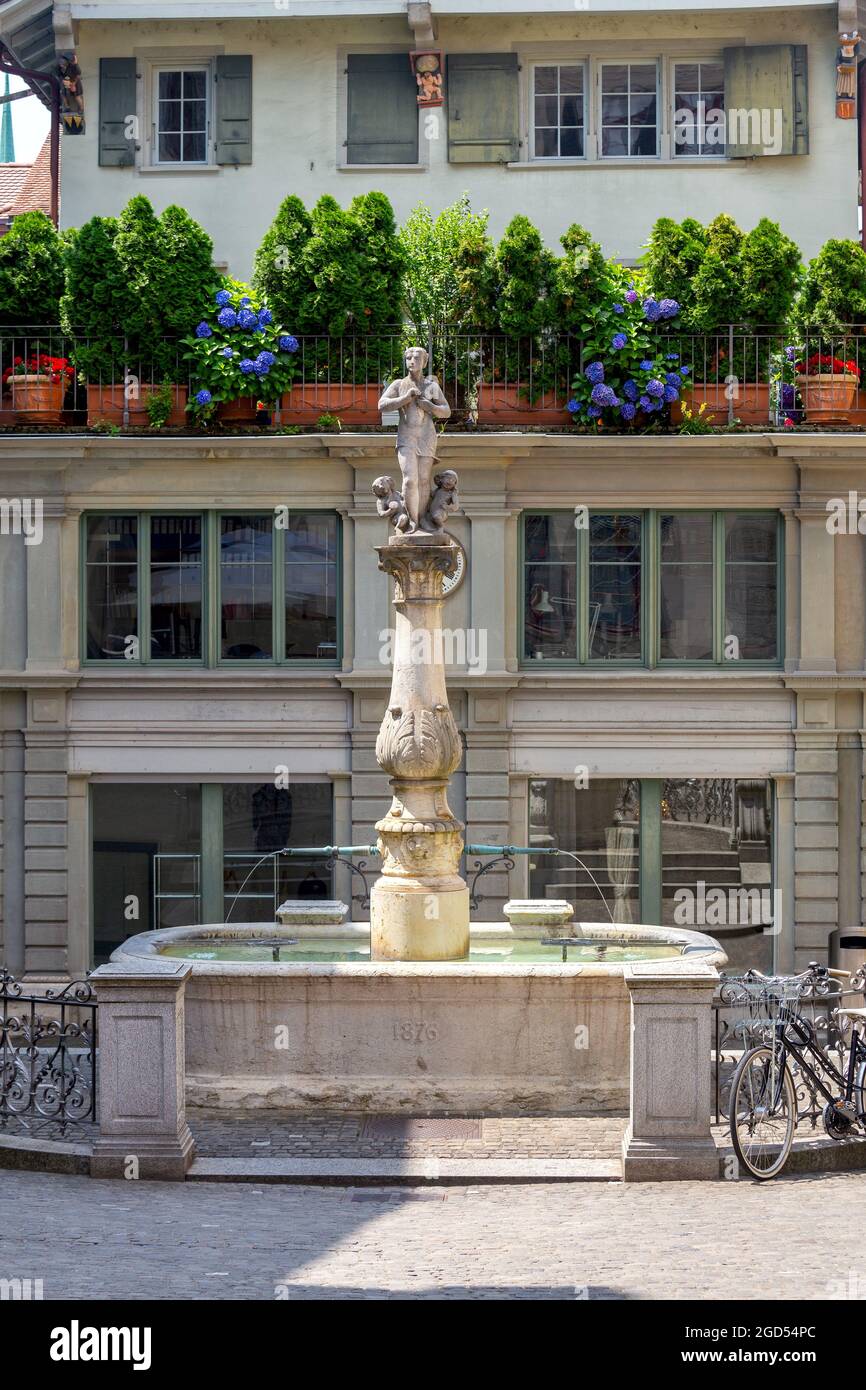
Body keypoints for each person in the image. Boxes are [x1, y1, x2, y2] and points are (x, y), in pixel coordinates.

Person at [377, 346, 450, 532]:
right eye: (409, 358)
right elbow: (382, 405)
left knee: (424, 480)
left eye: (417, 358)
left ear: (424, 362)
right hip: (406, 437)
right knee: (410, 479)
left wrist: (429, 406)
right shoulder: (399, 384)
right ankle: (412, 521)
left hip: (426, 436)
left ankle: (423, 520)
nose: (412, 361)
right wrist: (404, 399)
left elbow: (446, 411)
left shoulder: (431, 386)